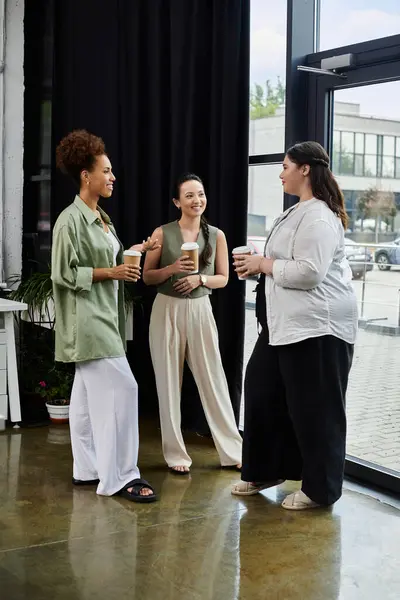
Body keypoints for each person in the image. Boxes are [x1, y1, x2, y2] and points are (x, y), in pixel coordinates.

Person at [232, 141, 358, 510]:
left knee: (316, 411)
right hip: (284, 326)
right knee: (261, 391)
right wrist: (260, 261)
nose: (281, 172)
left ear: (305, 169)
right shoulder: (296, 212)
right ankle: (267, 469)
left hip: (319, 328)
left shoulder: (319, 216)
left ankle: (321, 491)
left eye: (286, 165)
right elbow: (286, 259)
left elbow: (309, 272)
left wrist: (263, 265)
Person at [52, 129, 158, 502]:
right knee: (125, 390)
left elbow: (106, 260)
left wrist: (132, 252)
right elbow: (63, 273)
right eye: (106, 170)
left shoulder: (101, 219)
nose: (112, 177)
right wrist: (111, 273)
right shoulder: (70, 221)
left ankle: (88, 469)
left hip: (104, 316)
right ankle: (120, 477)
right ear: (86, 175)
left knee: (82, 403)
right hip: (89, 322)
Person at [143, 173, 242, 474]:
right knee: (168, 383)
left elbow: (224, 278)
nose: (196, 200)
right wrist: (172, 268)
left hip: (201, 308)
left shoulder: (217, 235)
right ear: (177, 202)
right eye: (189, 195)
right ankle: (175, 456)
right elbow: (147, 276)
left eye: (200, 194)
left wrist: (200, 278)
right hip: (166, 309)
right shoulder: (162, 233)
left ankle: (233, 451)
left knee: (214, 379)